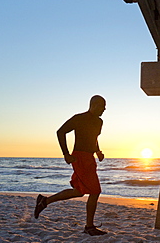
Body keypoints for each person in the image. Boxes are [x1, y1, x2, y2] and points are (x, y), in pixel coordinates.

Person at [34, 95, 107, 236]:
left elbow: (94, 138)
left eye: (105, 107)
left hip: (89, 158)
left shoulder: (99, 122)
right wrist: (66, 154)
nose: (104, 109)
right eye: (101, 106)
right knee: (95, 191)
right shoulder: (79, 118)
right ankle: (89, 227)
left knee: (79, 192)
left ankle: (44, 201)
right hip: (79, 157)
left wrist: (98, 151)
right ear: (93, 105)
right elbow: (60, 132)